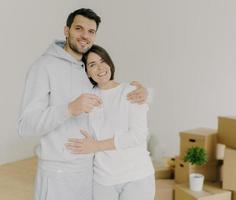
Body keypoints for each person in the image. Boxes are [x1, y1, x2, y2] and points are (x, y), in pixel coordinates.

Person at [17, 8, 149, 200]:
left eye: (91, 31)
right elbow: (25, 126)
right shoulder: (43, 67)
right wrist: (69, 109)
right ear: (66, 30)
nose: (85, 36)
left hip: (91, 173)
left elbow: (115, 96)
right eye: (79, 29)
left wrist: (144, 92)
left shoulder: (88, 68)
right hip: (58, 175)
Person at [65, 44, 155, 200]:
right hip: (103, 179)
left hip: (136, 176)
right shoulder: (86, 97)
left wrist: (97, 146)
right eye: (92, 64)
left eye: (103, 61)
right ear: (86, 72)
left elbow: (138, 136)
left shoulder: (130, 91)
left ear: (110, 63)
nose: (100, 68)